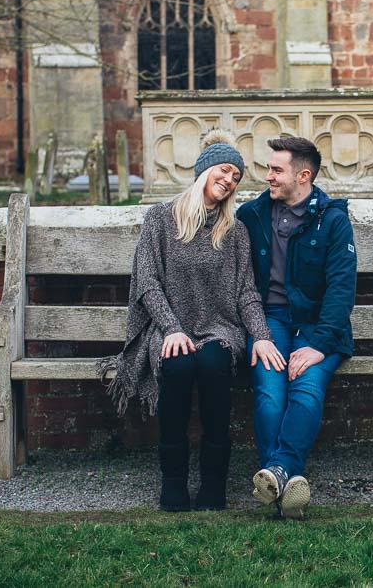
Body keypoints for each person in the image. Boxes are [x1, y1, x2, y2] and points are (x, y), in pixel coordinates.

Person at [97, 129, 284, 512]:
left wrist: (262, 335)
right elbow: (147, 282)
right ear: (204, 169)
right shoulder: (161, 218)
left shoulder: (235, 231)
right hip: (170, 329)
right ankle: (174, 483)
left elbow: (246, 292)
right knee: (178, 366)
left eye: (236, 176)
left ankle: (213, 485)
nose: (229, 180)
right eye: (224, 170)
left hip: (220, 329)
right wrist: (172, 329)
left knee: (214, 366)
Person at [237, 136, 357, 519]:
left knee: (305, 385)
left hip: (318, 327)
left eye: (277, 170)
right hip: (269, 321)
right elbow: (239, 283)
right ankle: (287, 483)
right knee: (269, 393)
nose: (268, 176)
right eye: (268, 168)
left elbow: (341, 288)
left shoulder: (332, 220)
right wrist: (259, 334)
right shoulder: (251, 216)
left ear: (303, 176)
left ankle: (276, 473)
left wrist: (319, 344)